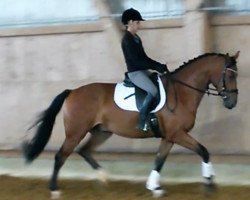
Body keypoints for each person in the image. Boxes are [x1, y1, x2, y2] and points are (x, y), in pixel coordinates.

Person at [121, 8, 169, 132]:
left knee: (161, 81)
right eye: (137, 22)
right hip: (135, 73)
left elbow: (144, 58)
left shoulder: (136, 38)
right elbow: (137, 62)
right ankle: (141, 121)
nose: (139, 25)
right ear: (130, 22)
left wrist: (159, 65)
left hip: (142, 70)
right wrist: (155, 67)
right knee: (153, 91)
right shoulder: (126, 40)